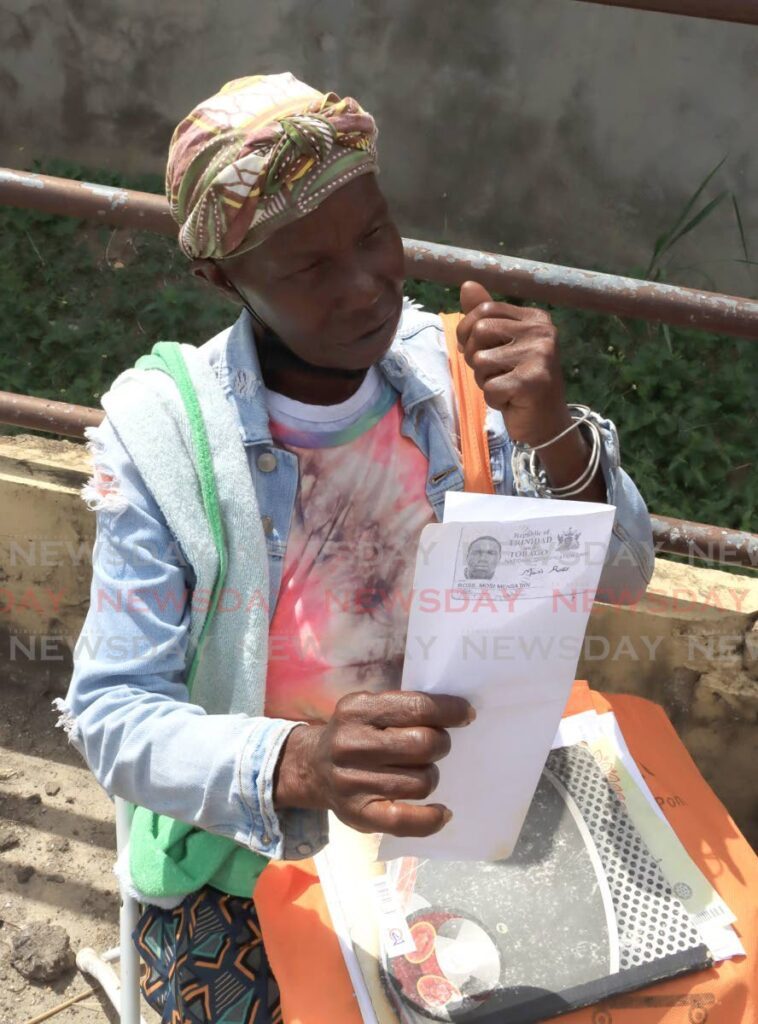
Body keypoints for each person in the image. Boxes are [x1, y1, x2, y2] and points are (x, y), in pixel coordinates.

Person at [53, 72, 654, 1023]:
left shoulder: (463, 380)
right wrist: (300, 763)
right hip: (251, 849)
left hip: (470, 800)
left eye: (374, 234)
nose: (370, 283)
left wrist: (553, 435)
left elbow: (621, 576)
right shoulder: (162, 435)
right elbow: (113, 714)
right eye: (310, 268)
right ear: (224, 279)